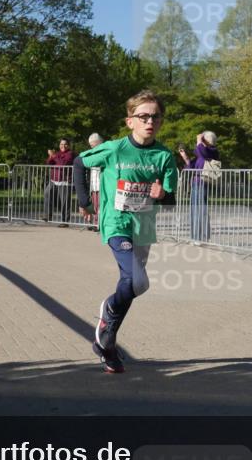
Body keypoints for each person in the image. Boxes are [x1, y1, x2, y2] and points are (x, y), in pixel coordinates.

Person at [73, 90, 178, 374]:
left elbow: (170, 196)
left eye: (155, 116)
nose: (150, 121)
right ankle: (107, 329)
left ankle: (106, 339)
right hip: (116, 224)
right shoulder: (115, 148)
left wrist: (162, 194)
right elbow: (79, 162)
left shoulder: (164, 156)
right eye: (143, 116)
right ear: (130, 121)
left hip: (143, 228)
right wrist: (84, 201)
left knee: (137, 285)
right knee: (135, 278)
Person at [177, 131, 219, 243]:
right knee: (194, 210)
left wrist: (199, 141)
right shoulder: (202, 154)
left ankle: (202, 237)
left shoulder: (212, 151)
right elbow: (191, 167)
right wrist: (185, 157)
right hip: (196, 183)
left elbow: (202, 151)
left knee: (201, 210)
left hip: (203, 182)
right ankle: (196, 236)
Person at [44, 138, 75, 227]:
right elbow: (49, 163)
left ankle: (65, 221)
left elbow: (63, 164)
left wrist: (53, 156)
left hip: (65, 181)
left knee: (65, 202)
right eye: (61, 144)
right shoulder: (57, 153)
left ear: (68, 145)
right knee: (47, 193)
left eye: (65, 144)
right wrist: (50, 157)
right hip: (54, 180)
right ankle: (47, 216)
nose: (63, 146)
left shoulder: (70, 154)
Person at [87, 133, 104, 230]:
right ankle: (94, 222)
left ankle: (99, 224)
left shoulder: (103, 152)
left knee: (100, 205)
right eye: (91, 145)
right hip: (94, 184)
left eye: (93, 144)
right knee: (95, 204)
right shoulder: (92, 153)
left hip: (101, 184)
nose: (91, 146)